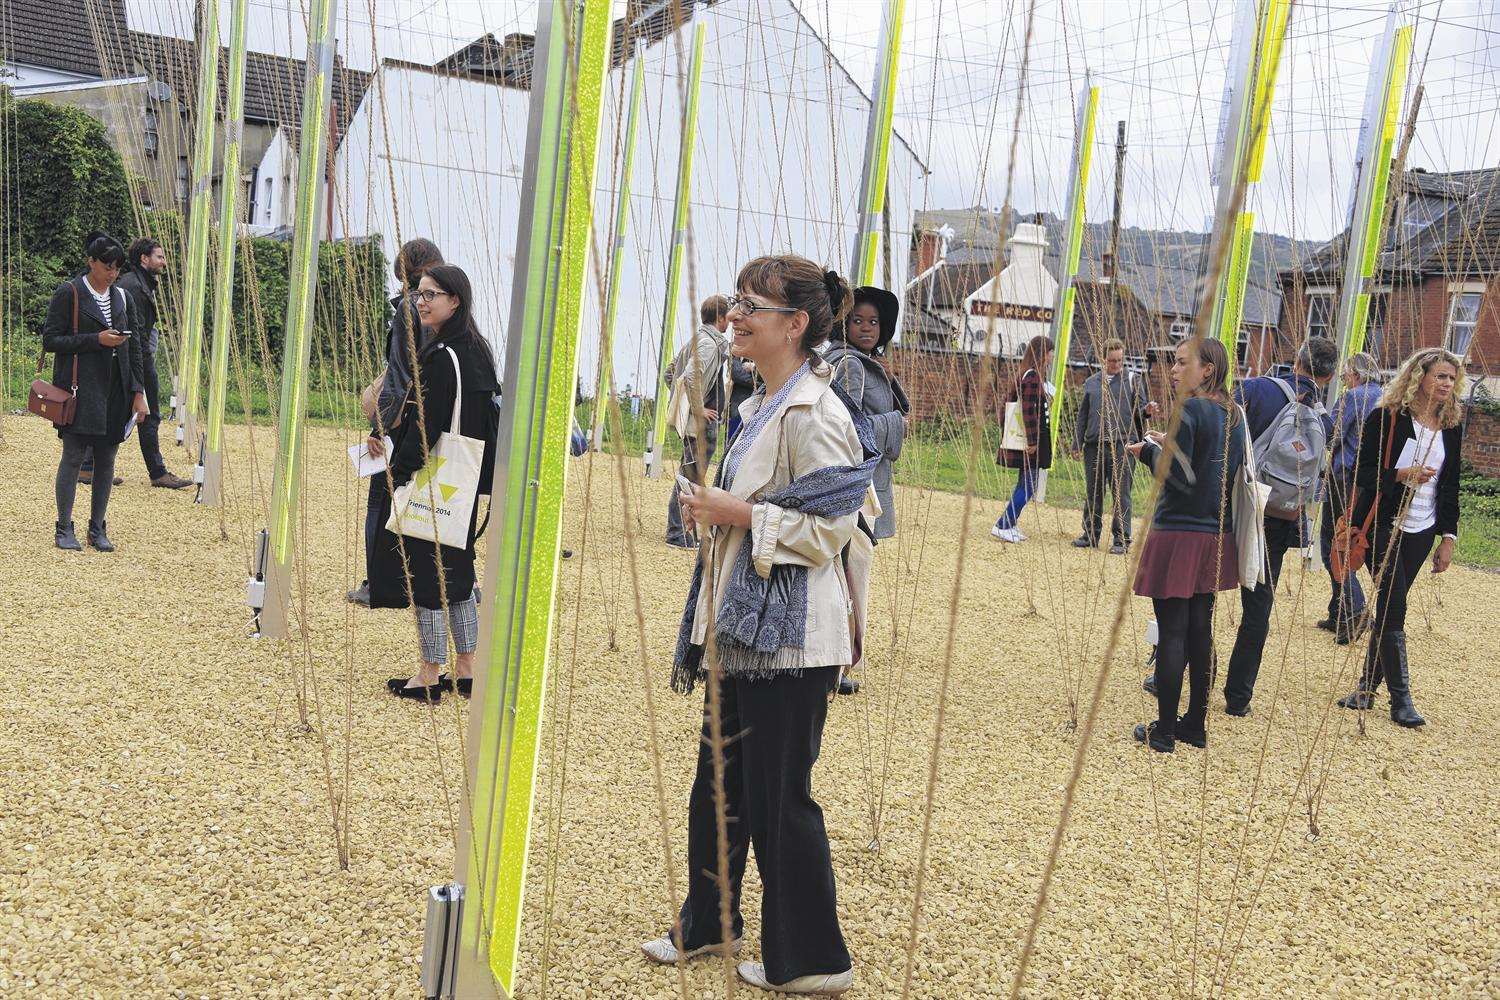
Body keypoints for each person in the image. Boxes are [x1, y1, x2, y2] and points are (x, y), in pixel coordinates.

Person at [643, 255, 868, 996]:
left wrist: (740, 514)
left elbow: (835, 524)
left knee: (779, 796)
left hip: (792, 640)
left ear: (795, 325)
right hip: (741, 625)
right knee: (720, 784)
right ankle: (709, 921)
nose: (736, 317)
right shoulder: (760, 402)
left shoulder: (817, 412)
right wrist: (710, 507)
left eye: (753, 307)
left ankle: (813, 960)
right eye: (737, 302)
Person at [368, 265, 499, 702]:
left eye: (431, 295)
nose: (421, 301)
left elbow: (428, 427)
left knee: (426, 570)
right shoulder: (477, 351)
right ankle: (468, 667)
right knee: (459, 569)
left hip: (434, 478)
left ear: (454, 300)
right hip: (465, 476)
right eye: (419, 294)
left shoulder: (443, 357)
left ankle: (428, 673)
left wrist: (399, 472)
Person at [1127, 338, 1245, 753]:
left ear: (1207, 369)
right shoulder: (1235, 415)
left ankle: (1163, 732)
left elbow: (1180, 477)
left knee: (1173, 632)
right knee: (1200, 631)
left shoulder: (1191, 408)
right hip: (1215, 533)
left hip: (1178, 530)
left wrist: (1147, 453)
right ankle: (1194, 725)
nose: (1174, 371)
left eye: (1182, 364)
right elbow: (1210, 465)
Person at [1336, 348, 1464, 728]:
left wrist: (1448, 537)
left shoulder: (1453, 424)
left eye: (1451, 378)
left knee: (1394, 601)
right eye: (1440, 376)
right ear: (1418, 376)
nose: (1446, 384)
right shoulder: (1387, 417)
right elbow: (1363, 472)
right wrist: (1400, 473)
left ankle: (1366, 687)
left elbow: (1451, 484)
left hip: (1422, 528)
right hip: (1381, 524)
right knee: (1394, 602)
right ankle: (1401, 698)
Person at [1221, 337, 1337, 716]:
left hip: (1234, 506)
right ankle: (1238, 698)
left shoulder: (1253, 390)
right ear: (1330, 374)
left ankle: (1185, 672)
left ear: (1297, 361)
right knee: (1258, 608)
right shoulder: (1324, 418)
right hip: (1280, 516)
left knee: (1199, 591)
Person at [348, 238, 444, 608]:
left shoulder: (408, 307)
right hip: (434, 415)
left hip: (404, 419)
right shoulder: (445, 309)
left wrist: (380, 428)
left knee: (382, 499)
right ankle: (435, 580)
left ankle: (378, 582)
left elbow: (401, 374)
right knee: (430, 498)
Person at [825, 285, 907, 695]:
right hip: (859, 488)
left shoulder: (858, 362)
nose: (866, 328)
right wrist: (897, 424)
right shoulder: (851, 365)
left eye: (874, 322)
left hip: (859, 486)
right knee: (852, 575)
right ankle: (837, 665)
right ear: (843, 323)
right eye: (857, 320)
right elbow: (846, 430)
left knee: (843, 571)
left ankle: (833, 663)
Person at [45, 235, 150, 551]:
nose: (112, 274)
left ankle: (97, 527)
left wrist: (137, 390)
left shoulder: (122, 298)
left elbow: (135, 349)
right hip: (79, 390)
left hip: (115, 391)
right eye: (107, 267)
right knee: (73, 457)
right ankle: (64, 527)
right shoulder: (70, 293)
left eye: (117, 268)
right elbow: (51, 340)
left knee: (107, 460)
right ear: (91, 261)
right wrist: (97, 340)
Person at [112, 238, 192, 489]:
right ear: (144, 259)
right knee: (149, 413)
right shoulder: (134, 286)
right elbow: (136, 333)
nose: (164, 262)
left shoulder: (138, 283)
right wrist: (141, 366)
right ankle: (157, 472)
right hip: (136, 357)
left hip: (132, 356)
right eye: (159, 257)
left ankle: (89, 466)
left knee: (119, 411)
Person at [1318, 351, 1383, 643]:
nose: (1344, 379)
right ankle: (1338, 612)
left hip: (1345, 479)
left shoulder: (1353, 397)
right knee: (1353, 541)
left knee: (1333, 546)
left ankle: (1354, 609)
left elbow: (1331, 436)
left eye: (1346, 374)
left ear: (1355, 374)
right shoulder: (1387, 397)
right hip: (1373, 485)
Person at [1072, 338, 1155, 554]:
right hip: (1094, 445)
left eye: (1119, 360)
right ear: (1103, 359)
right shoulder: (1091, 383)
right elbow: (1083, 416)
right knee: (1093, 491)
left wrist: (1147, 411)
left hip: (1122, 445)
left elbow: (1140, 412)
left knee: (1121, 492)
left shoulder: (1133, 380)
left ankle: (1121, 539)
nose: (1116, 365)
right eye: (1112, 361)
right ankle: (1090, 534)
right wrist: (1076, 443)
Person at [664, 294, 731, 548]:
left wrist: (680, 403)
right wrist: (698, 408)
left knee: (691, 474)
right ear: (721, 318)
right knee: (690, 475)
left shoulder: (698, 339)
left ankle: (684, 531)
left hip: (694, 422)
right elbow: (691, 377)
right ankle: (677, 533)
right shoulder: (709, 344)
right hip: (701, 424)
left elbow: (671, 372)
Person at [991, 335, 1054, 543]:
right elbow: (1029, 412)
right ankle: (1003, 524)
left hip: (1027, 441)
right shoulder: (1033, 377)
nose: (1052, 356)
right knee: (1029, 486)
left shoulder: (1026, 374)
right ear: (1043, 353)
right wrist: (1033, 441)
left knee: (1025, 483)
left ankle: (1011, 522)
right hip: (1030, 442)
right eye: (1050, 352)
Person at [726, 353, 756, 440]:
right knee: (732, 442)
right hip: (737, 408)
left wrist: (753, 368)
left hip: (755, 407)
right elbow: (737, 374)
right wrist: (758, 383)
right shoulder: (736, 350)